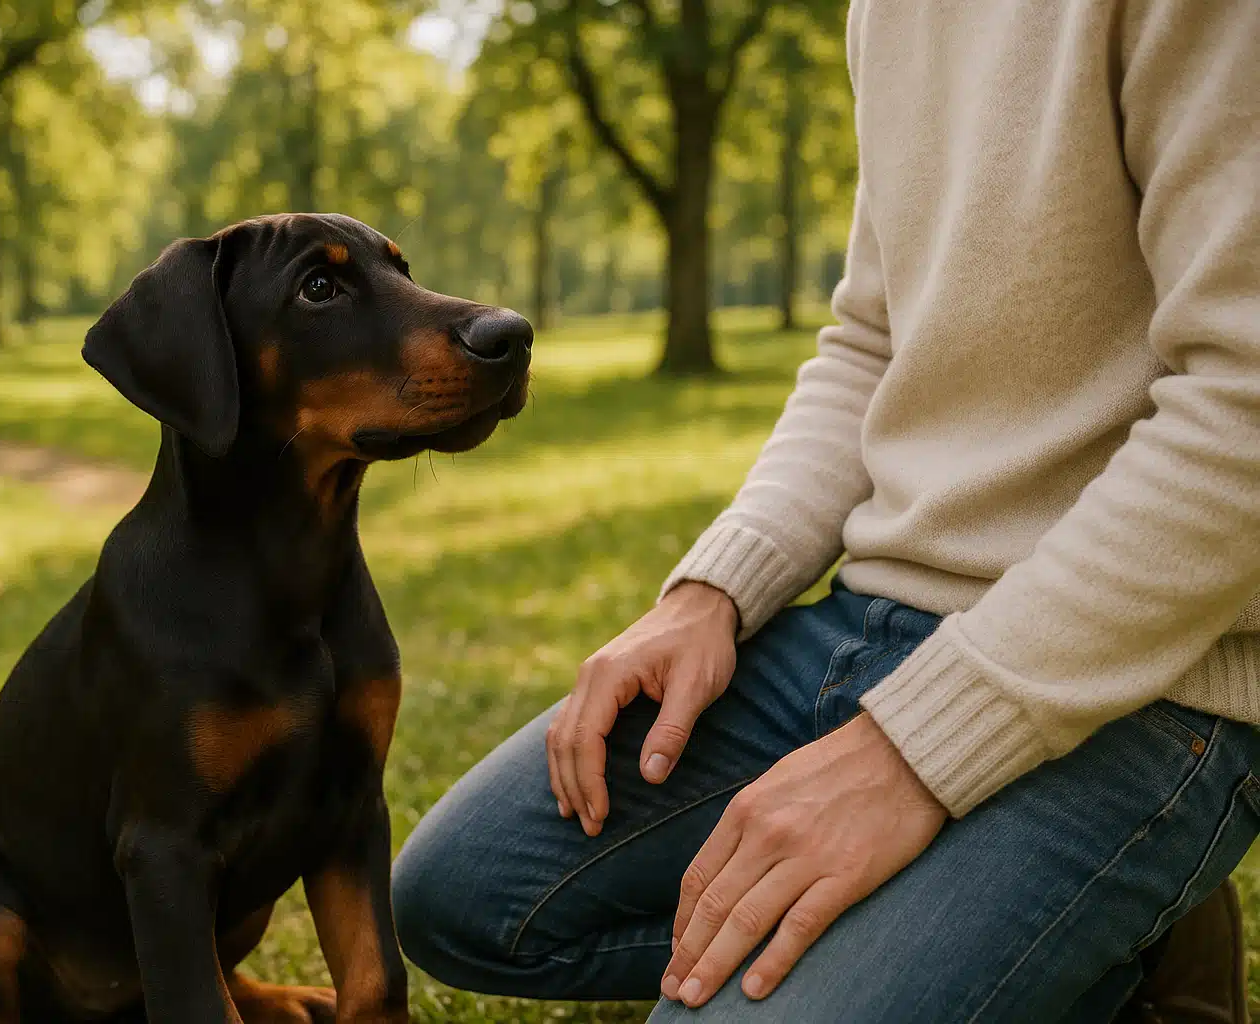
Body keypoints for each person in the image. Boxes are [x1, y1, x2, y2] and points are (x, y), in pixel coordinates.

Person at [389, 0, 1260, 1018]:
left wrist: (913, 755)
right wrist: (712, 590)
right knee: (460, 897)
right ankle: (1103, 953)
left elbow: (1243, 409)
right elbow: (874, 341)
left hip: (1142, 686)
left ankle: (1102, 910)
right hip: (868, 626)